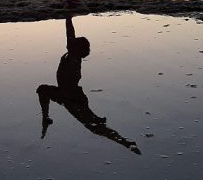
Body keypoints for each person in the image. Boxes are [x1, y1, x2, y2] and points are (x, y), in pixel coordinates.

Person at [36, 17, 141, 155]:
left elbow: (70, 34)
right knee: (42, 90)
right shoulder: (74, 56)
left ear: (75, 48)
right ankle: (46, 118)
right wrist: (68, 18)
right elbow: (70, 33)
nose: (69, 43)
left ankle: (124, 142)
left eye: (72, 43)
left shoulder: (73, 57)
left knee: (94, 127)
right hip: (65, 93)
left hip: (72, 98)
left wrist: (69, 18)